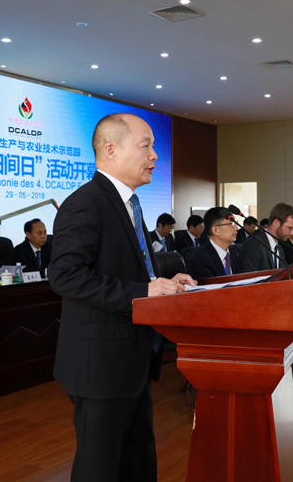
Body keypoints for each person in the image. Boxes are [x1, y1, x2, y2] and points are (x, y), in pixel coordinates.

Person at [47, 113, 195, 482]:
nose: (155, 156)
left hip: (131, 357)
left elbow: (127, 270)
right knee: (100, 467)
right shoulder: (86, 203)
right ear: (111, 150)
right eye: (146, 146)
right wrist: (144, 290)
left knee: (136, 461)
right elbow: (65, 275)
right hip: (101, 364)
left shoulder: (128, 203)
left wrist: (161, 281)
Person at [240, 203, 293, 272]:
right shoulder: (253, 245)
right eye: (290, 228)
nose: (292, 233)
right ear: (276, 223)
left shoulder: (279, 248)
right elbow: (250, 277)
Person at [187, 207, 241, 279]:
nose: (236, 228)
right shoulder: (200, 259)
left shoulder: (234, 252)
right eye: (232, 224)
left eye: (236, 223)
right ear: (215, 230)